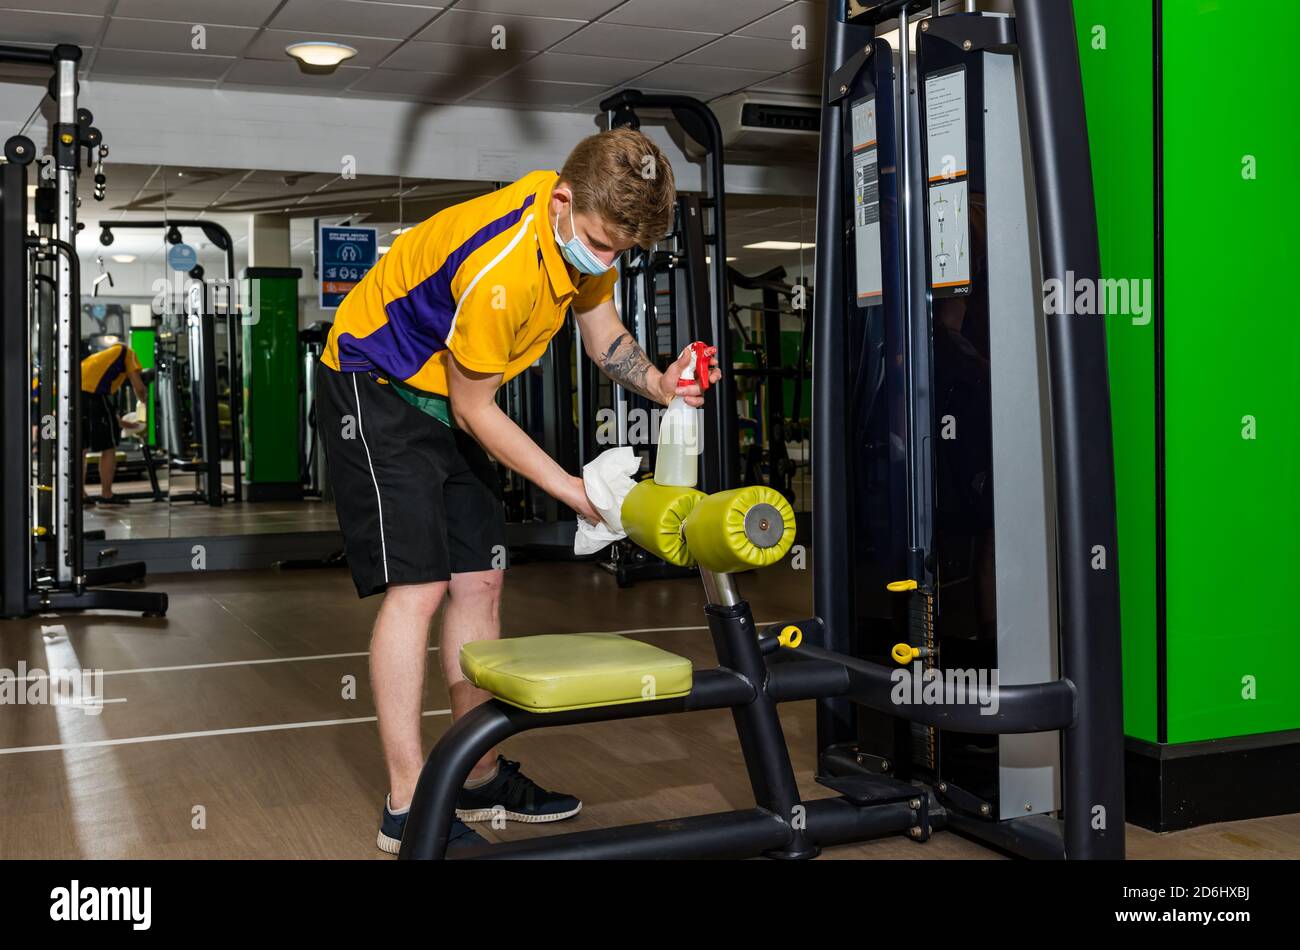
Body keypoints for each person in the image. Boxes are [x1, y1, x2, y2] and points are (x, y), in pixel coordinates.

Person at [317, 128, 721, 854]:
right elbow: (477, 410)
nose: (605, 260)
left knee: (480, 578)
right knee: (419, 586)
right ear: (562, 202)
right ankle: (408, 806)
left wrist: (663, 383)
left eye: (619, 251)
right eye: (599, 243)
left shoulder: (585, 235)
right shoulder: (503, 265)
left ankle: (476, 770)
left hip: (443, 395)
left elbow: (605, 341)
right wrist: (570, 488)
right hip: (373, 385)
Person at [80, 342, 149, 505]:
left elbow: (112, 419)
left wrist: (131, 425)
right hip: (93, 396)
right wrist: (143, 402)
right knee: (109, 447)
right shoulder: (128, 353)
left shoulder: (103, 362)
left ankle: (80, 495)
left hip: (75, 393)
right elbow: (138, 387)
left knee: (80, 447)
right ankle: (107, 494)